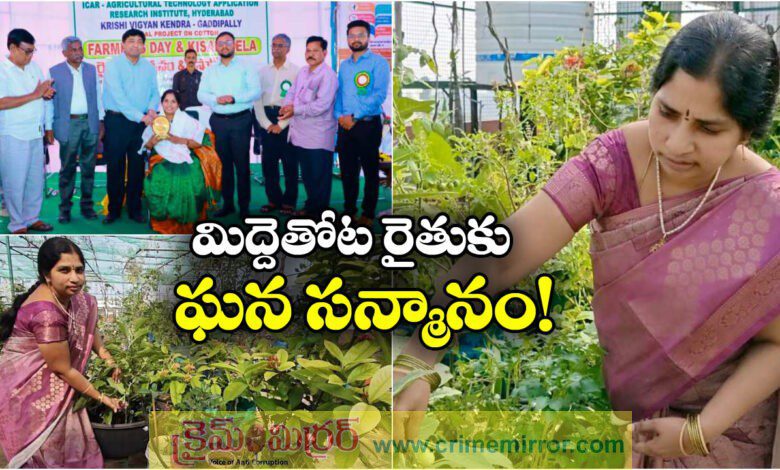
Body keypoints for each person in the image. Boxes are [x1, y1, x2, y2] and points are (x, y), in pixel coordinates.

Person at [394, 12, 780, 467]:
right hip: (635, 428)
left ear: (747, 131)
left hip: (729, 432)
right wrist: (416, 359)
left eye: (708, 129)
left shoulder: (765, 209)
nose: (676, 143)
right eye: (667, 112)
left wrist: (700, 431)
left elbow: (775, 344)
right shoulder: (613, 164)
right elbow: (501, 255)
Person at [0, 238, 124, 467]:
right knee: (46, 447)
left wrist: (108, 359)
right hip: (30, 391)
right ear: (47, 274)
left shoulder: (75, 299)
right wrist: (103, 397)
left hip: (58, 381)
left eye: (79, 270)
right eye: (64, 270)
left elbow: (90, 329)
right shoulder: (46, 313)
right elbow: (63, 369)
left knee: (67, 443)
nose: (75, 278)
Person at [197, 31, 261, 220]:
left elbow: (255, 91)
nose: (224, 46)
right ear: (216, 47)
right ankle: (228, 204)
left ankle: (244, 207)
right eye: (221, 43)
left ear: (234, 45)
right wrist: (216, 99)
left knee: (241, 166)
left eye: (228, 42)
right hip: (218, 121)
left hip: (240, 120)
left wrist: (234, 99)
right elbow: (201, 94)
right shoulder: (210, 70)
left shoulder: (246, 67)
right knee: (223, 166)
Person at [141, 89, 221, 234]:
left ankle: (189, 220)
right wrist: (153, 140)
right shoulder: (156, 121)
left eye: (173, 101)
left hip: (184, 153)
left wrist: (176, 140)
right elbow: (146, 147)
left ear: (178, 104)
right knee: (164, 177)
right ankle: (165, 220)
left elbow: (197, 143)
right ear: (162, 103)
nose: (169, 105)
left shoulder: (187, 120)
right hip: (160, 156)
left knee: (190, 177)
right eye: (166, 101)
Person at [335, 19, 390, 227]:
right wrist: (340, 116)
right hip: (345, 126)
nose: (355, 39)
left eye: (360, 35)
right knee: (347, 172)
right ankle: (349, 210)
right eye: (351, 35)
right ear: (347, 38)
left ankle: (368, 213)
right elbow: (339, 94)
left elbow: (379, 95)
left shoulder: (378, 63)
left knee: (369, 170)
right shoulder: (345, 65)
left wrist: (355, 116)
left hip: (367, 125)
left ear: (369, 37)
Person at [102, 28, 160, 224]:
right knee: (115, 167)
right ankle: (114, 209)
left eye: (139, 41)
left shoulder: (149, 67)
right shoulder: (113, 65)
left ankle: (135, 208)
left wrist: (152, 110)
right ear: (123, 44)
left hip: (141, 125)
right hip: (117, 121)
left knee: (137, 167)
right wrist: (141, 116)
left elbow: (154, 92)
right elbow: (119, 98)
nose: (135, 44)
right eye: (131, 41)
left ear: (144, 46)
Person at [0, 29, 55, 234]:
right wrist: (34, 94)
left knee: (35, 180)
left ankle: (32, 218)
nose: (30, 56)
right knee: (14, 181)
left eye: (33, 51)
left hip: (35, 132)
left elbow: (41, 93)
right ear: (13, 47)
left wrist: (45, 94)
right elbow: (2, 102)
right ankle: (17, 223)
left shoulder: (34, 67)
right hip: (12, 134)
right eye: (27, 51)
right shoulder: (2, 69)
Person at [47, 36, 104, 224]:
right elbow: (49, 103)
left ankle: (87, 206)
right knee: (68, 168)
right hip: (68, 125)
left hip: (90, 124)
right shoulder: (54, 72)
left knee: (89, 167)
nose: (79, 53)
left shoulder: (91, 70)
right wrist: (49, 127)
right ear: (64, 53)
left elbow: (98, 96)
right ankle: (65, 209)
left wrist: (101, 121)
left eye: (80, 49)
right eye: (74, 50)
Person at [279, 36, 338, 218]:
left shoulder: (327, 75)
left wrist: (295, 109)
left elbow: (321, 106)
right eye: (308, 50)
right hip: (300, 135)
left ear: (324, 53)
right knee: (309, 177)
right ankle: (311, 208)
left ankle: (319, 215)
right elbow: (291, 91)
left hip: (318, 136)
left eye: (315, 51)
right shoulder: (303, 71)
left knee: (319, 178)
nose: (310, 54)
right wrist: (287, 105)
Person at [256, 33, 300, 216]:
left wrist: (281, 125)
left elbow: (298, 101)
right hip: (266, 118)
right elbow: (256, 101)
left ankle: (289, 202)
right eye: (274, 45)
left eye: (281, 45)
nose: (276, 48)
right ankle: (273, 200)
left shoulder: (297, 72)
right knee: (269, 164)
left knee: (290, 163)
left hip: (287, 119)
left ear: (288, 49)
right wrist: (267, 124)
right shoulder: (262, 71)